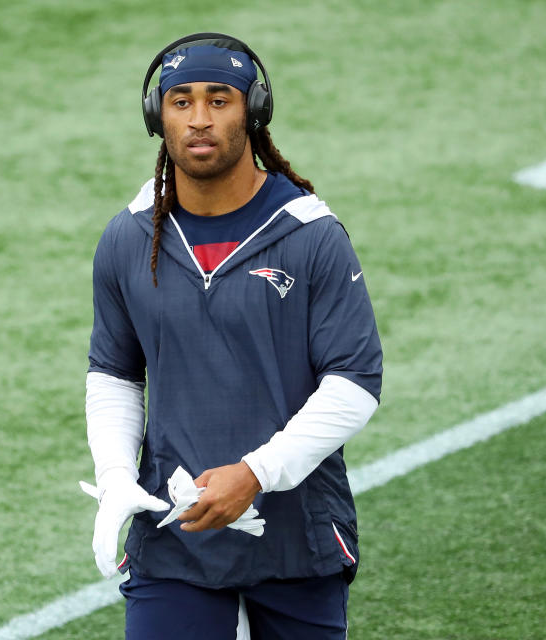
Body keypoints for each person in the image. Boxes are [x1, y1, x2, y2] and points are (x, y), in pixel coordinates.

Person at [84, 32, 383, 639]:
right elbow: (114, 374)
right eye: (181, 101)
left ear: (253, 110)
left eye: (219, 101)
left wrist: (255, 472)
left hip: (295, 536)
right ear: (156, 115)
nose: (199, 119)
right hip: (174, 538)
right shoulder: (127, 238)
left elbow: (355, 384)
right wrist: (116, 475)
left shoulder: (311, 235)